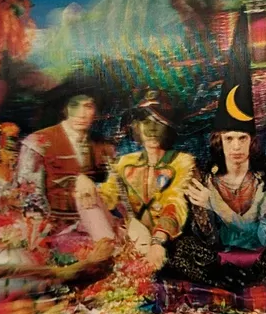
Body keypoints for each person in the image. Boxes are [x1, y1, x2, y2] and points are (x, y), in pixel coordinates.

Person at [167, 13, 266, 290]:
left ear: (252, 142)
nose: (236, 147)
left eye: (242, 139)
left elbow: (264, 238)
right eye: (229, 139)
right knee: (182, 250)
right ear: (219, 142)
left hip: (261, 258)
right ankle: (225, 280)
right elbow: (209, 240)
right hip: (218, 260)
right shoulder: (207, 181)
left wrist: (215, 204)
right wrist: (206, 207)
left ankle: (243, 282)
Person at [99, 89, 196, 273]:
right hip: (131, 241)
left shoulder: (183, 162)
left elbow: (175, 204)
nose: (152, 129)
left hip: (168, 244)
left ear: (169, 126)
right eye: (145, 121)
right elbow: (107, 197)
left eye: (158, 122)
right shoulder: (124, 162)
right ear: (136, 126)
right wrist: (88, 190)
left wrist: (158, 242)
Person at [15, 92, 116, 246]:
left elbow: (114, 189)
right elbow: (28, 194)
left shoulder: (104, 145)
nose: (81, 114)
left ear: (96, 111)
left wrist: (90, 185)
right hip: (52, 232)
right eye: (74, 106)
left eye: (88, 106)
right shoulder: (38, 141)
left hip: (95, 228)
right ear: (64, 109)